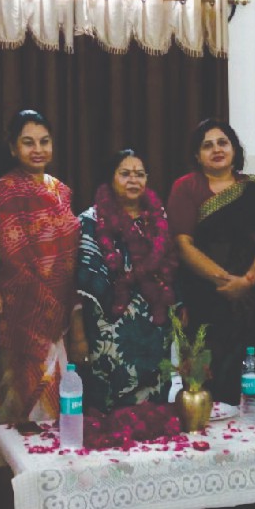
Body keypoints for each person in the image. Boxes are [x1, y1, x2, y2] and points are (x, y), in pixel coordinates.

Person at [168, 119, 255, 406]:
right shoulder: (186, 187)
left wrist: (248, 281)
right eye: (207, 145)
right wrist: (226, 281)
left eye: (222, 143)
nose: (216, 149)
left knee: (251, 372)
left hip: (249, 300)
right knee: (205, 375)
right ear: (197, 155)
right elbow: (183, 244)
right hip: (203, 297)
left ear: (234, 149)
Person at [0, 109, 80, 422]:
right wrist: (47, 306)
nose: (38, 149)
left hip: (60, 318)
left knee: (56, 411)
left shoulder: (61, 190)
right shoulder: (6, 190)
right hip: (23, 316)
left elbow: (72, 253)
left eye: (44, 141)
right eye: (28, 142)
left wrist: (65, 311)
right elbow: (11, 255)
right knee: (20, 412)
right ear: (13, 148)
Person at [75, 149, 179, 411]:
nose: (133, 180)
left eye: (139, 174)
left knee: (153, 410)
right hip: (110, 327)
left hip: (155, 325)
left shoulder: (158, 218)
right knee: (110, 412)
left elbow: (172, 265)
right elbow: (83, 281)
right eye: (125, 174)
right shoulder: (90, 221)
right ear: (111, 178)